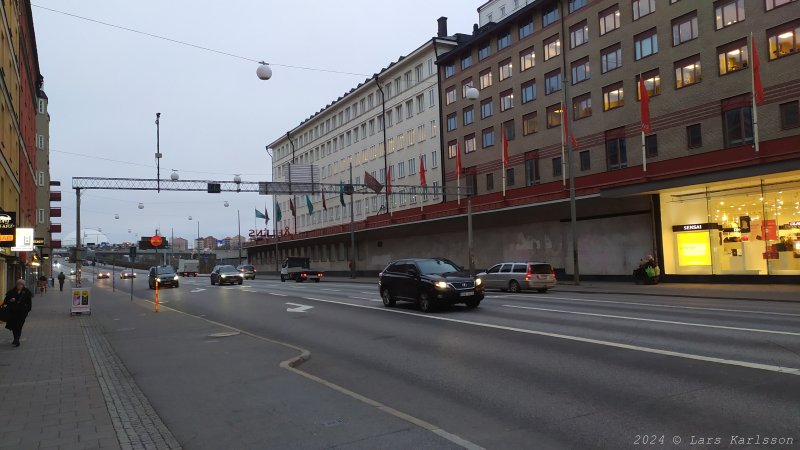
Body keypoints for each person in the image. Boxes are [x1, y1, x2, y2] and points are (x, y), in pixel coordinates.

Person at [2, 279, 33, 347]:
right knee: (14, 326)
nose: (19, 286)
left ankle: (17, 339)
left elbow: (29, 304)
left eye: (21, 284)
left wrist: (26, 311)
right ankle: (15, 339)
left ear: (23, 285)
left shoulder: (27, 293)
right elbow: (5, 302)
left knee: (19, 326)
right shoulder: (11, 292)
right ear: (16, 285)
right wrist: (10, 300)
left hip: (22, 313)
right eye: (18, 284)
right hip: (13, 313)